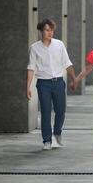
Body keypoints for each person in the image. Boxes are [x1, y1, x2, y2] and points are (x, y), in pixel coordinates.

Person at [27, 19, 76, 150]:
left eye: (51, 30)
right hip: (43, 84)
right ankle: (47, 140)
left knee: (61, 111)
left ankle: (57, 133)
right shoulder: (34, 48)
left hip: (59, 82)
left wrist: (74, 79)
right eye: (47, 30)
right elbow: (31, 68)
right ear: (41, 31)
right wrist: (28, 87)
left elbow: (67, 63)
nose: (50, 33)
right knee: (45, 112)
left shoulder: (59, 45)